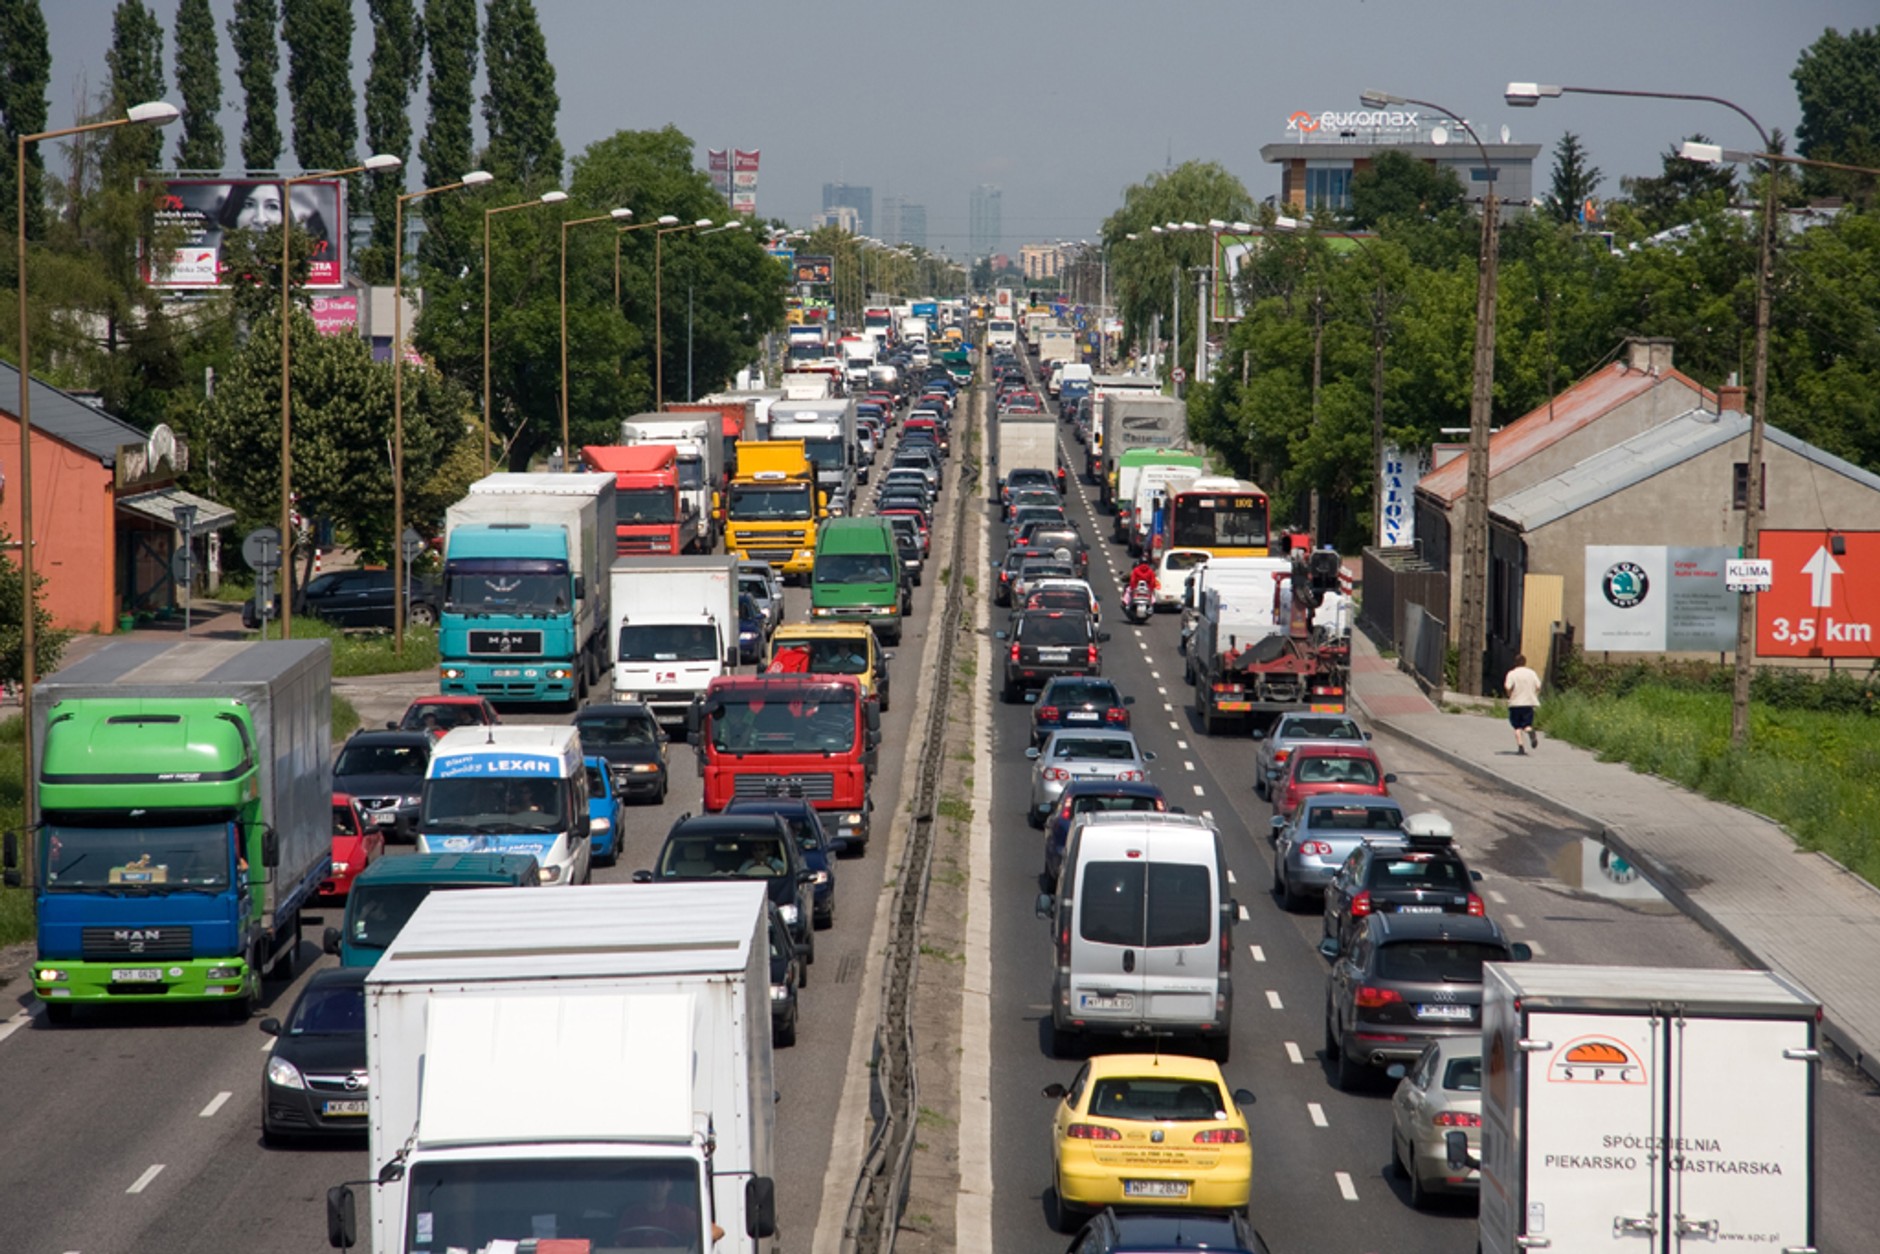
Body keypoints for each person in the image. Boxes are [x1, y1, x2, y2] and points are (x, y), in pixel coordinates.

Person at [1505, 653, 1543, 754]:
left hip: (1515, 703)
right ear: (1525, 662)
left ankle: (1521, 747)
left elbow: (1507, 687)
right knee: (1527, 724)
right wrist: (1533, 694)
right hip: (1529, 703)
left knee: (1517, 727)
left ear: (1515, 663)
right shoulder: (1531, 673)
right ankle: (1530, 732)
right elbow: (1538, 686)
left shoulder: (1512, 673)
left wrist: (1510, 695)